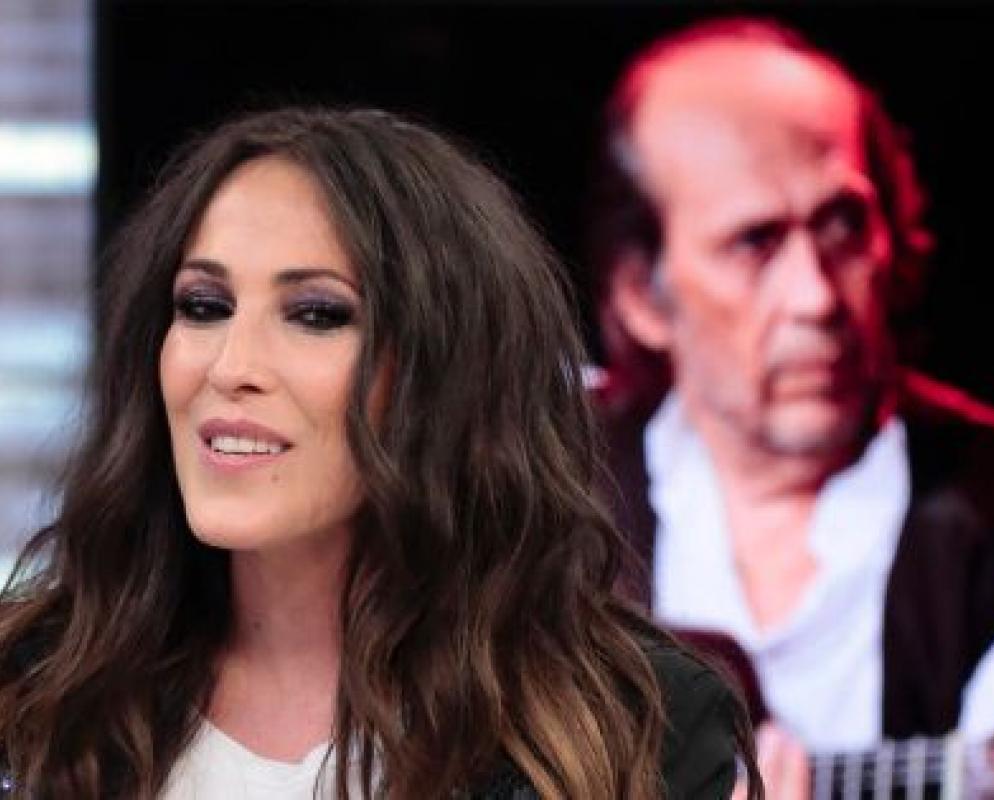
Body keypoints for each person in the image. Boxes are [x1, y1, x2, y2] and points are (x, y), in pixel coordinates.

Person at [0, 108, 762, 799]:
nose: (230, 366)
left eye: (316, 315)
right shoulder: (24, 690)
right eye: (204, 306)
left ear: (448, 372)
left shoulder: (637, 727)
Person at [588, 16, 994, 794]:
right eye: (755, 243)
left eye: (844, 226)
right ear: (643, 296)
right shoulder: (536, 486)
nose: (815, 296)